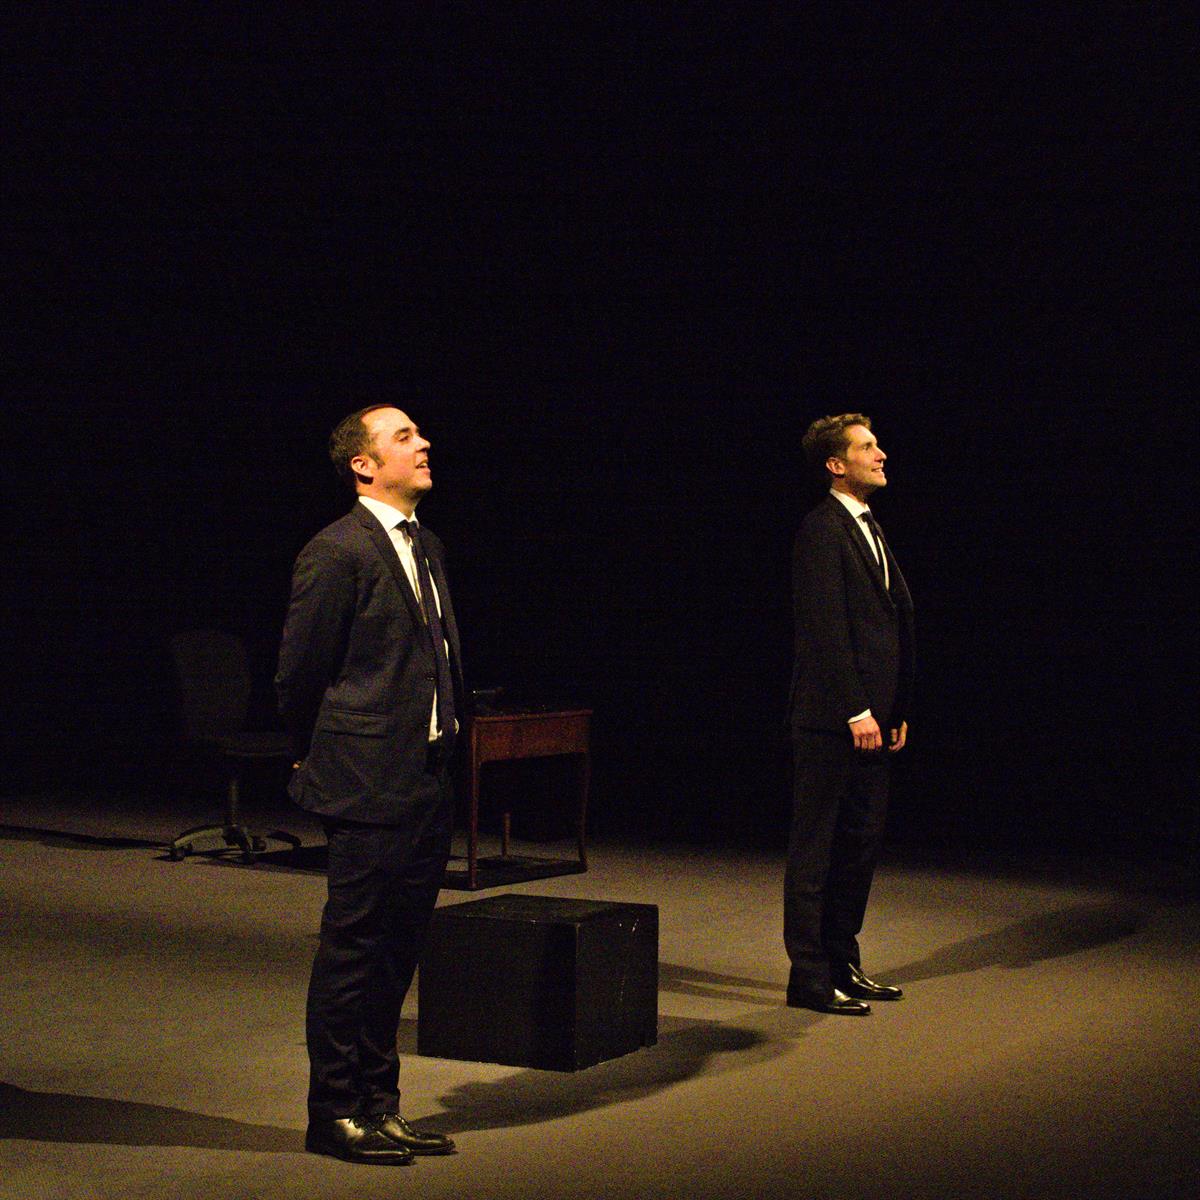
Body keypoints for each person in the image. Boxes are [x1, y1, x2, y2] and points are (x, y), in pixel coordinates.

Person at [276, 405, 463, 1165]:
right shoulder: (337, 550)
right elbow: (300, 673)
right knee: (353, 951)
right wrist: (312, 753)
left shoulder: (427, 544)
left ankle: (379, 1104)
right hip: (365, 779)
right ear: (364, 464)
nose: (423, 443)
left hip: (425, 777)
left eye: (420, 433)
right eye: (404, 437)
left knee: (398, 950)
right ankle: (334, 1113)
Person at [784, 413, 915, 1015]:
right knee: (817, 847)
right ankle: (810, 978)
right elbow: (825, 628)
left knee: (859, 845)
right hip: (833, 720)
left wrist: (896, 709)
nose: (881, 454)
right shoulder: (821, 528)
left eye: (877, 444)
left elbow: (891, 623)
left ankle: (843, 961)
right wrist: (856, 709)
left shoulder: (870, 526)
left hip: (874, 722)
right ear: (836, 464)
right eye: (867, 446)